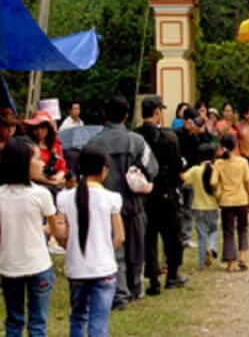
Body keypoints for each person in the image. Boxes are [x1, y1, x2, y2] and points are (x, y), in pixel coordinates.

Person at [86, 95, 158, 310]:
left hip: (103, 206)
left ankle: (118, 293)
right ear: (126, 116)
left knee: (113, 251)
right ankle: (135, 288)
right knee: (136, 249)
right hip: (133, 205)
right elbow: (152, 169)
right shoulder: (136, 141)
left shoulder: (93, 142)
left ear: (104, 115)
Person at [55, 145, 124, 337]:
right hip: (103, 269)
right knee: (99, 323)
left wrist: (67, 246)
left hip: (77, 269)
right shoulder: (112, 198)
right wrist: (106, 250)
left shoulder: (65, 198)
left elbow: (61, 234)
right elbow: (120, 236)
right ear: (104, 170)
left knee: (78, 317)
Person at [0, 137, 63, 337]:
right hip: (38, 265)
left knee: (13, 321)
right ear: (24, 162)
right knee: (37, 323)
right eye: (37, 158)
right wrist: (39, 229)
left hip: (9, 266)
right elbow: (52, 228)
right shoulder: (41, 195)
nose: (43, 162)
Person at [135, 95, 187, 296]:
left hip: (144, 194)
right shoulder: (169, 137)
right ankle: (172, 274)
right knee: (172, 235)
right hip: (166, 192)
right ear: (157, 112)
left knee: (149, 237)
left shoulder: (136, 137)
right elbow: (176, 166)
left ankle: (153, 279)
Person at [211, 134, 249, 272]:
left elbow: (213, 182)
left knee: (228, 232)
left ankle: (231, 263)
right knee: (243, 228)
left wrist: (217, 194)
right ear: (235, 146)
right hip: (241, 200)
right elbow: (248, 182)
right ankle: (243, 257)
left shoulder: (218, 163)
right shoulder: (243, 162)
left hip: (226, 202)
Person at [176, 107, 211, 248]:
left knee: (188, 208)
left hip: (192, 176)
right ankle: (177, 236)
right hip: (179, 175)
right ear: (186, 121)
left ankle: (186, 236)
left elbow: (208, 149)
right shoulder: (177, 135)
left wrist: (202, 132)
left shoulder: (197, 136)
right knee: (178, 208)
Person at [181, 143, 219, 270]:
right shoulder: (215, 169)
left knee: (202, 235)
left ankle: (202, 264)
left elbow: (183, 178)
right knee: (213, 229)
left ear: (199, 157)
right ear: (213, 156)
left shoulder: (195, 170)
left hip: (197, 207)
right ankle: (212, 247)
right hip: (213, 206)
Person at [24, 111, 67, 189]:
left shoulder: (55, 145)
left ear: (48, 129)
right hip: (33, 186)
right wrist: (51, 182)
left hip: (54, 184)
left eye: (43, 127)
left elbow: (62, 166)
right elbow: (30, 173)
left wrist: (59, 176)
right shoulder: (28, 145)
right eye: (36, 128)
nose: (39, 131)